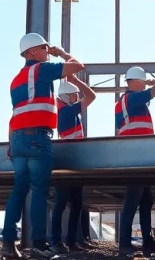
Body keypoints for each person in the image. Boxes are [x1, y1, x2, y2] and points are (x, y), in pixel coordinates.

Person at [2, 33, 85, 260]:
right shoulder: (40, 69)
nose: (48, 51)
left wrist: (11, 143)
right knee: (38, 190)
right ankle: (39, 245)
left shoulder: (16, 79)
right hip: (38, 138)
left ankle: (8, 243)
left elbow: (15, 113)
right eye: (44, 48)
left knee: (19, 189)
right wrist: (63, 54)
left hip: (18, 139)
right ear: (32, 52)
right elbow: (78, 66)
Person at [114, 66, 155, 258]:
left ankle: (147, 242)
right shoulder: (131, 98)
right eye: (143, 81)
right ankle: (125, 244)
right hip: (135, 156)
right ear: (136, 81)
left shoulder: (128, 101)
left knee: (146, 200)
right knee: (133, 200)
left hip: (139, 155)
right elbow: (153, 92)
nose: (144, 83)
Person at [50, 77, 95, 254]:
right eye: (74, 95)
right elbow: (91, 96)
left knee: (69, 203)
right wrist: (75, 78)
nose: (77, 97)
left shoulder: (63, 110)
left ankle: (65, 240)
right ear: (66, 97)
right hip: (70, 162)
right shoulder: (67, 112)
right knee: (67, 202)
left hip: (69, 160)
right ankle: (65, 241)